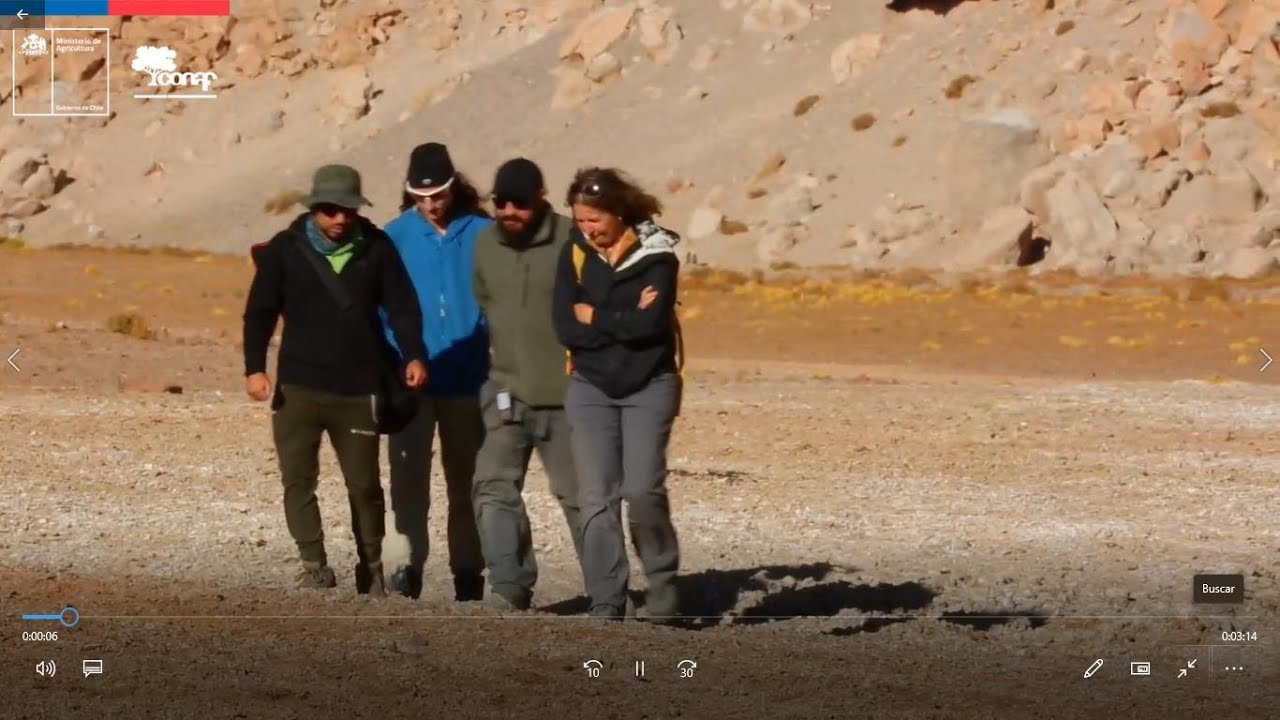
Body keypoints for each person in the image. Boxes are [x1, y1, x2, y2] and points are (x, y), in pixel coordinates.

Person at [242, 164, 428, 597]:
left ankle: (373, 568)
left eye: (347, 210)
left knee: (364, 485)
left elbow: (403, 307)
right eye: (330, 211)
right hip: (298, 390)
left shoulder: (378, 248)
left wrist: (414, 354)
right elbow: (260, 312)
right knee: (298, 479)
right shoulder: (285, 250)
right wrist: (254, 368)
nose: (340, 219)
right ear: (314, 209)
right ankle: (314, 565)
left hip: (359, 391)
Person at [552, 166, 684, 621]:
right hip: (590, 386)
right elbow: (565, 325)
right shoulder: (573, 253)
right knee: (597, 495)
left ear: (619, 213)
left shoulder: (658, 255)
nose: (587, 229)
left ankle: (663, 584)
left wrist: (597, 316)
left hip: (649, 384)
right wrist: (619, 318)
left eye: (595, 220)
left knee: (643, 488)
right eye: (580, 220)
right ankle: (607, 598)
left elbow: (650, 328)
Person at [471, 158, 585, 611]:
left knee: (582, 498)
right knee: (493, 487)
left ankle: (609, 595)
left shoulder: (573, 240)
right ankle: (508, 586)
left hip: (568, 397)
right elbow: (486, 304)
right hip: (505, 390)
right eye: (501, 202)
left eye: (520, 203)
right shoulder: (484, 245)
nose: (509, 211)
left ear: (541, 199)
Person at [381, 142, 492, 601]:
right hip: (414, 382)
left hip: (470, 379)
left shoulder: (485, 233)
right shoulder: (394, 236)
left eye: (439, 195)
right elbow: (381, 308)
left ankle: (469, 572)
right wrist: (399, 357)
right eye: (421, 196)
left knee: (468, 482)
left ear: (454, 187)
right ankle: (405, 568)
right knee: (408, 483)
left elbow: (498, 299)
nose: (431, 205)